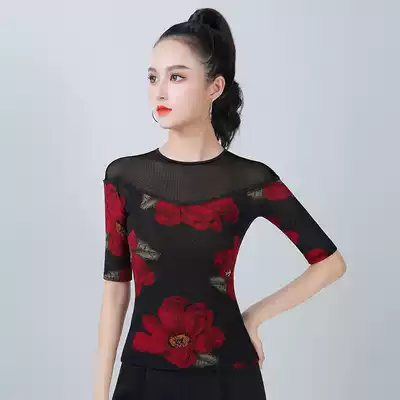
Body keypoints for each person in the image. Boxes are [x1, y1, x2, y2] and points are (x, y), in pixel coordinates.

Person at [93, 7, 347, 400]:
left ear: (214, 87)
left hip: (230, 377)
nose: (160, 91)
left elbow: (329, 263)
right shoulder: (124, 177)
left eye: (177, 76)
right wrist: (98, 393)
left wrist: (254, 316)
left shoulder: (250, 179)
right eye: (153, 77)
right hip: (143, 378)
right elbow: (115, 292)